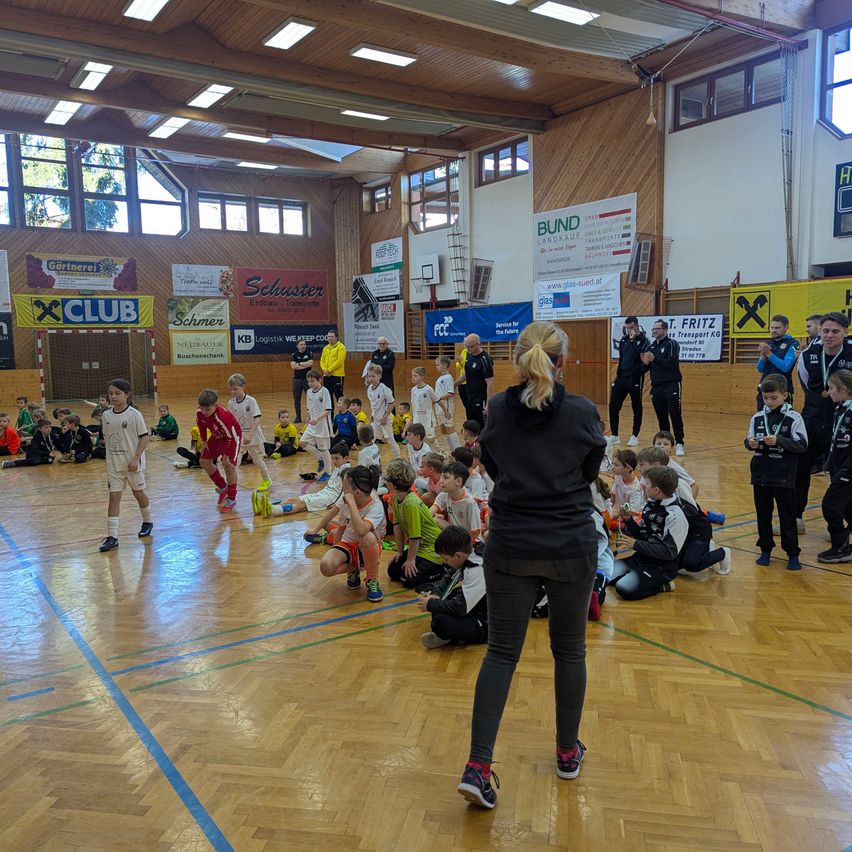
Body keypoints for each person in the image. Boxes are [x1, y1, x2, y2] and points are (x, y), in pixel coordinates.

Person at [456, 320, 606, 810]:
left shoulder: (497, 408)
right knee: (570, 652)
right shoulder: (583, 412)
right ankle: (567, 753)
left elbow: (494, 468)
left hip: (511, 546)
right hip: (570, 547)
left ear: (516, 361)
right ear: (561, 361)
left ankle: (478, 766)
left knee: (501, 654)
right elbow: (588, 474)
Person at [795, 312, 852, 531]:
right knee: (800, 470)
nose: (829, 335)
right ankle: (796, 518)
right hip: (811, 421)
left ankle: (839, 525)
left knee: (840, 474)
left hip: (842, 425)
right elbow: (806, 384)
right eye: (825, 330)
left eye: (835, 331)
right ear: (819, 330)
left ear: (845, 332)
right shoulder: (809, 354)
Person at [746, 373, 807, 570]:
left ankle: (792, 553)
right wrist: (751, 443)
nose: (769, 401)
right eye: (765, 398)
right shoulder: (757, 417)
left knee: (787, 516)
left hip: (783, 477)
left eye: (774, 397)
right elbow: (748, 440)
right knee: (763, 515)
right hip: (761, 476)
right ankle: (765, 549)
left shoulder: (794, 417)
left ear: (785, 395)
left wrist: (780, 440)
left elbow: (802, 445)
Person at [610, 465, 688, 599]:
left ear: (656, 490)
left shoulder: (675, 516)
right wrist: (628, 520)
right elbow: (642, 535)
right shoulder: (651, 504)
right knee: (605, 573)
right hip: (641, 558)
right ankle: (636, 574)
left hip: (660, 568)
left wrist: (635, 544)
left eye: (646, 483)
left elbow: (669, 552)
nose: (643, 486)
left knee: (624, 588)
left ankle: (663, 585)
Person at [317, 465, 386, 603]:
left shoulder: (375, 506)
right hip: (347, 544)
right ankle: (354, 568)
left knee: (367, 536)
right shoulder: (347, 501)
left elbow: (361, 530)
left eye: (346, 488)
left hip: (366, 546)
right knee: (326, 567)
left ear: (357, 493)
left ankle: (372, 581)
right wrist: (336, 550)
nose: (344, 492)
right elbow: (342, 528)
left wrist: (352, 505)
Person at [98, 379, 152, 552]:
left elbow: (144, 437)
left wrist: (136, 458)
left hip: (132, 463)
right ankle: (112, 536)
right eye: (111, 393)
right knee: (114, 497)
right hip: (114, 464)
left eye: (117, 393)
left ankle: (147, 521)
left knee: (138, 493)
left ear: (127, 395)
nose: (113, 396)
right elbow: (107, 438)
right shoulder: (106, 415)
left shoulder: (135, 415)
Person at [417, 526, 487, 649]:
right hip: (481, 605)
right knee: (447, 598)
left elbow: (460, 608)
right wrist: (437, 595)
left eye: (446, 559)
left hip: (491, 622)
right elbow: (450, 575)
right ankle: (447, 633)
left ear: (458, 555)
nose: (444, 562)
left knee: (441, 622)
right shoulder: (470, 552)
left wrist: (431, 604)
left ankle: (447, 635)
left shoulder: (476, 570)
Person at [384, 458, 446, 589]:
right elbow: (397, 526)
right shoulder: (396, 498)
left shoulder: (410, 504)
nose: (385, 481)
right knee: (393, 572)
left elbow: (415, 536)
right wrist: (400, 552)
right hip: (419, 548)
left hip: (431, 549)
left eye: (387, 480)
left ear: (395, 484)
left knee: (408, 579)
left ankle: (443, 569)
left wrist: (411, 560)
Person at [254, 442, 350, 519]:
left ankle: (272, 510)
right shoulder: (339, 467)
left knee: (302, 504)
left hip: (329, 499)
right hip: (323, 493)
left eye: (337, 458)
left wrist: (338, 504)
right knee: (294, 499)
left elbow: (347, 491)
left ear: (346, 458)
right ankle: (265, 507)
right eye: (333, 459)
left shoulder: (346, 471)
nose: (334, 461)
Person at [818, 369, 852, 563]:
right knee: (847, 506)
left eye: (831, 388)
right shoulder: (840, 408)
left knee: (830, 506)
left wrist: (847, 469)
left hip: (848, 469)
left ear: (843, 389)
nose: (828, 392)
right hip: (838, 465)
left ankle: (840, 547)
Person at [196, 387, 243, 514]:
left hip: (232, 438)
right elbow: (201, 425)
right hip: (217, 436)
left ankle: (232, 498)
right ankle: (223, 487)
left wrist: (226, 455)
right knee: (204, 461)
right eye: (202, 408)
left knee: (228, 465)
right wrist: (205, 441)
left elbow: (230, 437)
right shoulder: (200, 412)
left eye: (208, 409)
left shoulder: (222, 416)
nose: (204, 412)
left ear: (215, 405)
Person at [643, 319, 685, 455]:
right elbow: (647, 367)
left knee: (674, 414)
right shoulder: (650, 347)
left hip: (671, 384)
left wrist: (655, 359)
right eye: (653, 329)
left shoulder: (671, 344)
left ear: (665, 330)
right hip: (657, 386)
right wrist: (644, 363)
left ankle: (679, 443)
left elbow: (672, 363)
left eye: (657, 328)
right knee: (661, 416)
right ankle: (664, 443)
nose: (654, 331)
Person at [609, 316, 649, 447]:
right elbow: (622, 358)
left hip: (635, 378)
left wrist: (639, 372)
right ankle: (614, 435)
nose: (629, 330)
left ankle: (634, 436)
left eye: (631, 327)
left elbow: (645, 361)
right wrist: (617, 375)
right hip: (622, 378)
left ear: (637, 326)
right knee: (613, 405)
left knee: (636, 406)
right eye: (627, 328)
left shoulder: (644, 341)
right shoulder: (623, 340)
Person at [227, 373, 272, 492]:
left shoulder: (251, 401)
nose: (233, 392)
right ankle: (230, 485)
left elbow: (257, 418)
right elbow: (231, 421)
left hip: (253, 434)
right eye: (231, 389)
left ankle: (267, 479)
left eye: (235, 389)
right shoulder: (231, 403)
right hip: (239, 436)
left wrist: (250, 434)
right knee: (235, 461)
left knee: (257, 460)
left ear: (243, 387)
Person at [429, 461, 482, 543]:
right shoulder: (444, 495)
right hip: (455, 534)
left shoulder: (470, 502)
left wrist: (461, 546)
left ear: (458, 481)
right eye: (441, 477)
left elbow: (475, 532)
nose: (441, 481)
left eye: (445, 478)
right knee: (434, 520)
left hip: (469, 541)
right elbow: (428, 514)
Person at [756, 314, 799, 411]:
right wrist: (763, 357)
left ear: (786, 327)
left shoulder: (793, 344)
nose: (774, 330)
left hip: (781, 391)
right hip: (765, 390)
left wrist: (769, 354)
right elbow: (760, 369)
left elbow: (786, 367)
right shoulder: (768, 343)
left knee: (781, 423)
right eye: (772, 327)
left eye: (777, 327)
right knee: (763, 422)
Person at [302, 369, 334, 482]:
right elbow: (308, 409)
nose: (310, 384)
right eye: (308, 381)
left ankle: (328, 472)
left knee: (323, 448)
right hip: (312, 425)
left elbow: (328, 410)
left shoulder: (324, 391)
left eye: (313, 381)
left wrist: (317, 418)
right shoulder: (309, 392)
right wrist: (307, 422)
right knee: (303, 443)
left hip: (322, 424)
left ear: (319, 380)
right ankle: (319, 458)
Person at [366, 364, 401, 459]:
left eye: (373, 376)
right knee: (371, 439)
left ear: (379, 376)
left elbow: (392, 403)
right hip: (375, 420)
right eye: (369, 376)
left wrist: (385, 417)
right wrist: (372, 414)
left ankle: (398, 458)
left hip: (385, 419)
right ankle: (373, 459)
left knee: (390, 439)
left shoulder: (384, 389)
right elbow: (374, 404)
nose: (371, 378)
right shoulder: (369, 389)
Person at [460, 334, 494, 429]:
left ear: (478, 344)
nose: (468, 349)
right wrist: (455, 384)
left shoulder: (485, 360)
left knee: (481, 427)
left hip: (480, 398)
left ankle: (482, 444)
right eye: (466, 346)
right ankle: (472, 443)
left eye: (470, 346)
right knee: (471, 424)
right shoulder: (468, 355)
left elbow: (490, 383)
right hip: (470, 396)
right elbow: (467, 374)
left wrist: (488, 404)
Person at [434, 355, 460, 450]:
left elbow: (450, 393)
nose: (436, 367)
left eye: (438, 365)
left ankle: (458, 450)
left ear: (445, 365)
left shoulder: (448, 378)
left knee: (450, 428)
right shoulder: (440, 378)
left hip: (446, 408)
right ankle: (452, 449)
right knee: (443, 430)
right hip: (439, 408)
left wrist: (437, 398)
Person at [410, 367, 437, 440]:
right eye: (412, 376)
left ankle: (438, 451)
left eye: (415, 376)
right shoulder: (413, 390)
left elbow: (436, 400)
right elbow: (413, 405)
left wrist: (428, 407)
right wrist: (412, 418)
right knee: (419, 438)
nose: (413, 378)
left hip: (427, 417)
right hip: (417, 418)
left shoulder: (428, 389)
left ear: (422, 377)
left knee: (431, 439)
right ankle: (423, 451)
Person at [320, 329, 346, 403]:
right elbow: (322, 361)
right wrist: (324, 370)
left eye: (332, 336)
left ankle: (343, 413)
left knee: (339, 396)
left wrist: (329, 370)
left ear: (336, 337)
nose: (330, 338)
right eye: (328, 336)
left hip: (337, 375)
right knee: (328, 396)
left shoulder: (341, 347)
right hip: (327, 376)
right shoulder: (325, 348)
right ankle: (330, 414)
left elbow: (340, 361)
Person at [290, 339, 313, 423]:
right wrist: (304, 364)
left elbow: (310, 363)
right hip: (297, 379)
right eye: (301, 344)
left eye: (304, 344)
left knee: (310, 398)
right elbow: (293, 366)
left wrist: (299, 364)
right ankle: (298, 417)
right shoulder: (294, 354)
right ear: (297, 346)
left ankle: (311, 416)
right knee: (296, 399)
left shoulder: (309, 353)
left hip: (308, 379)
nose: (303, 346)